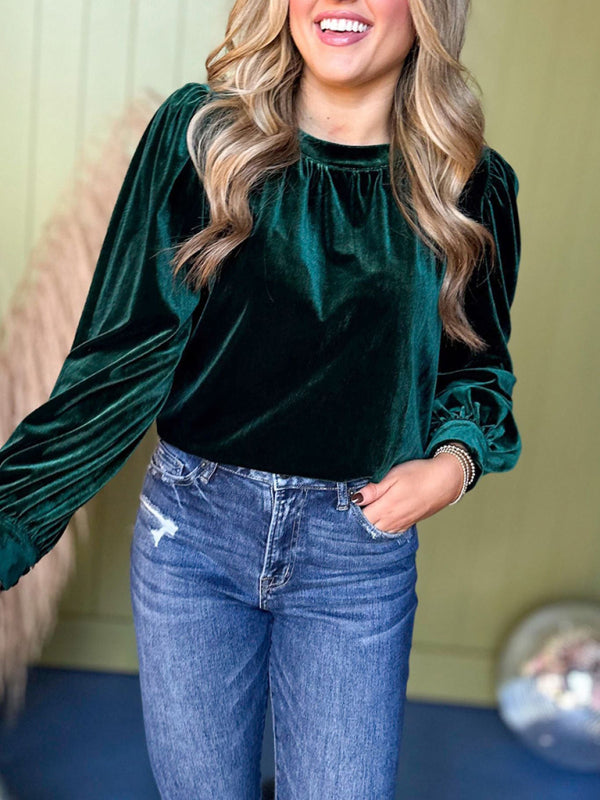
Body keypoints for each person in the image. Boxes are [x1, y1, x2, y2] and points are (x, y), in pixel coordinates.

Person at [0, 0, 522, 797]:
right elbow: (116, 364)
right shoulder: (201, 139)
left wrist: (454, 465)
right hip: (193, 535)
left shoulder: (470, 186)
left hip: (356, 556)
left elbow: (478, 370)